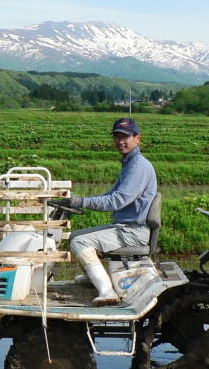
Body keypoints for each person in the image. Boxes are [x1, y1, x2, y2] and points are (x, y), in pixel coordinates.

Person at [60, 118, 157, 306]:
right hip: (125, 227)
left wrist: (82, 201)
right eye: (117, 136)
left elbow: (117, 200)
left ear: (137, 138)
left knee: (81, 242)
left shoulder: (138, 167)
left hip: (132, 231)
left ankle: (107, 292)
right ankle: (93, 277)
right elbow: (110, 195)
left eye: (126, 137)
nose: (121, 141)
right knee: (75, 236)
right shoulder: (130, 164)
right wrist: (79, 203)